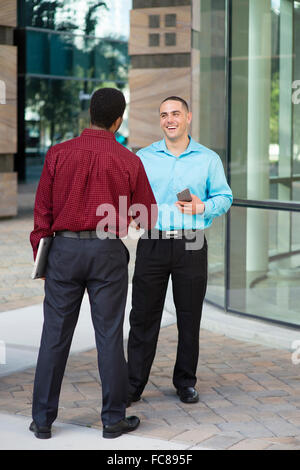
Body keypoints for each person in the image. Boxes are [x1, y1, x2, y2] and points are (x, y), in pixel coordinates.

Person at [29, 87, 157, 439]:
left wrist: (41, 256)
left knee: (54, 336)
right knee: (109, 337)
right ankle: (113, 420)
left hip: (64, 253)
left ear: (90, 115)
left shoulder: (57, 153)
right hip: (106, 252)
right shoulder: (129, 160)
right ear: (118, 121)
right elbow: (145, 216)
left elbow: (43, 214)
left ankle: (42, 421)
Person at [127, 96, 232, 406]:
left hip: (192, 241)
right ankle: (133, 384)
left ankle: (185, 381)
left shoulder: (208, 159)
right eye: (163, 115)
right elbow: (131, 195)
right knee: (143, 316)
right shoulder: (144, 157)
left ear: (188, 117)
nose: (169, 119)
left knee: (189, 316)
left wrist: (204, 206)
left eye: (175, 113)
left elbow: (225, 197)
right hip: (153, 241)